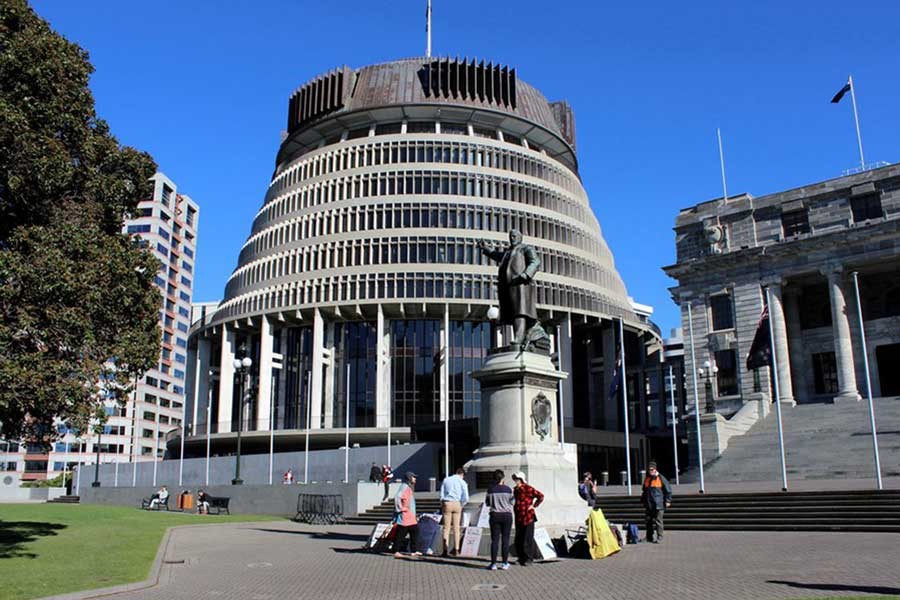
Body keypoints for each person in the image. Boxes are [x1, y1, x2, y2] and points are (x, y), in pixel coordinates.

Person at [477, 230, 541, 346]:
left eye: (515, 236)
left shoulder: (525, 248)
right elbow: (497, 255)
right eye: (511, 236)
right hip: (508, 286)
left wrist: (526, 274)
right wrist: (486, 249)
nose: (512, 238)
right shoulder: (508, 252)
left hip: (521, 284)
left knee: (520, 311)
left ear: (520, 237)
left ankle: (519, 337)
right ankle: (519, 336)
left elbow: (535, 261)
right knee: (513, 312)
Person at [511, 471, 543, 566]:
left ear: (521, 479)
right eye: (515, 479)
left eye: (517, 479)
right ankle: (521, 557)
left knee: (527, 538)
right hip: (518, 516)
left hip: (528, 516)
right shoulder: (515, 490)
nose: (515, 481)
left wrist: (534, 505)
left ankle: (529, 558)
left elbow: (540, 496)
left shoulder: (528, 488)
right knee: (519, 538)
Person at [485, 469, 514, 571]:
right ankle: (505, 563)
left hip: (495, 515)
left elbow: (487, 503)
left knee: (495, 540)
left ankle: (493, 564)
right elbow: (512, 502)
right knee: (505, 539)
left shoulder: (490, 489)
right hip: (506, 515)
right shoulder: (508, 489)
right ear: (503, 478)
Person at [439, 467, 469, 557]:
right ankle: (456, 549)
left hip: (447, 503)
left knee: (446, 528)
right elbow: (466, 497)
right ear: (462, 474)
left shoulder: (446, 480)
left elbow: (441, 494)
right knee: (456, 528)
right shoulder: (462, 482)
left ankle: (445, 550)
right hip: (457, 503)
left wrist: (442, 503)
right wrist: (462, 504)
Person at [640, 461, 672, 543]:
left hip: (658, 504)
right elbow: (644, 491)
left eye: (652, 469)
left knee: (658, 521)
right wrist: (643, 500)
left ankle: (659, 537)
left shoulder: (660, 478)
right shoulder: (647, 478)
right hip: (649, 504)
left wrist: (668, 500)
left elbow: (668, 490)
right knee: (648, 521)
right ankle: (649, 537)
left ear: (655, 469)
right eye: (649, 469)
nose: (651, 471)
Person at [393, 471, 420, 558]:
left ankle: (414, 551)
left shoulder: (408, 487)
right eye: (414, 477)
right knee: (400, 534)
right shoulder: (404, 487)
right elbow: (397, 497)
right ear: (409, 478)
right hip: (405, 516)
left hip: (411, 516)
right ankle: (396, 551)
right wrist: (400, 509)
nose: (415, 479)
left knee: (415, 532)